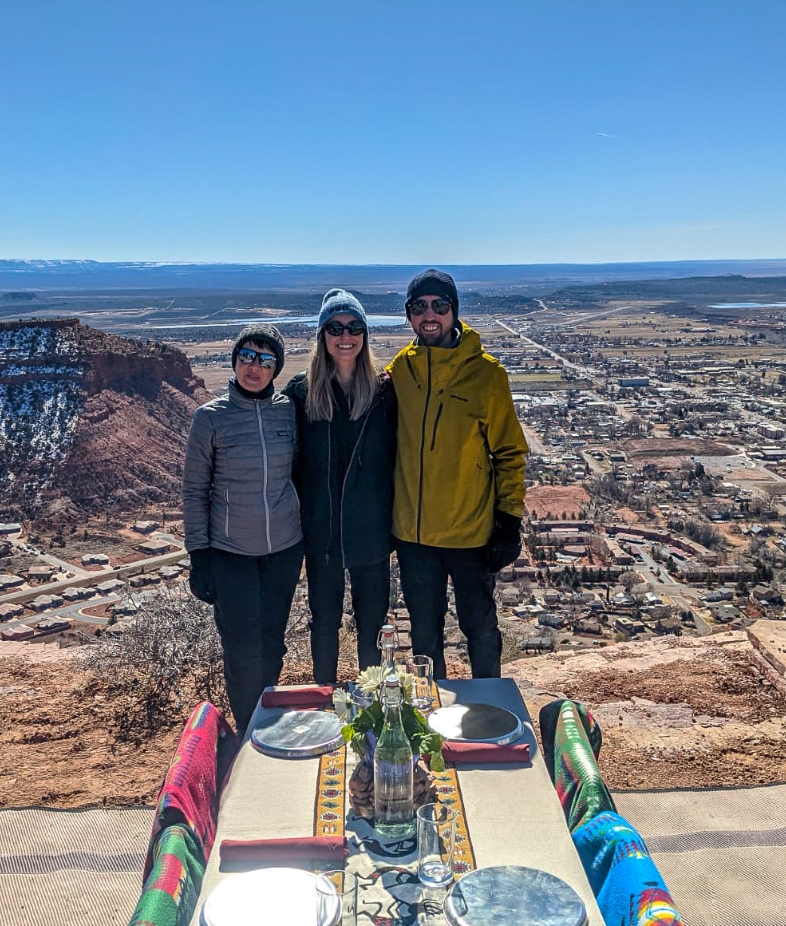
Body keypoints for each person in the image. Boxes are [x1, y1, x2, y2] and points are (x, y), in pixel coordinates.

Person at [387, 269, 528, 680]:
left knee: (479, 626)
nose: (430, 315)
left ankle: (490, 707)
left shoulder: (487, 373)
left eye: (439, 305)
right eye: (419, 307)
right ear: (409, 315)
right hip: (414, 536)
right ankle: (432, 718)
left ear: (454, 311)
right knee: (424, 635)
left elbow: (509, 450)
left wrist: (509, 521)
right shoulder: (401, 371)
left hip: (471, 532)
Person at [182, 324, 303, 733]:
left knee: (272, 644)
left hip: (284, 550)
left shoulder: (288, 411)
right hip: (230, 553)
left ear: (276, 368)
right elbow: (195, 491)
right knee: (241, 649)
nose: (255, 367)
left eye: (266, 360)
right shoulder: (209, 419)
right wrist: (199, 557)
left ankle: (266, 722)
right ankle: (249, 729)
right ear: (235, 361)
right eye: (248, 356)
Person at [284, 289, 397, 684]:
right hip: (322, 531)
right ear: (322, 334)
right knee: (324, 622)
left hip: (372, 529)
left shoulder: (385, 391)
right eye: (335, 327)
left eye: (354, 327)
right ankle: (324, 701)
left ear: (365, 334)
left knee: (372, 625)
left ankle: (373, 705)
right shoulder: (300, 393)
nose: (344, 335)